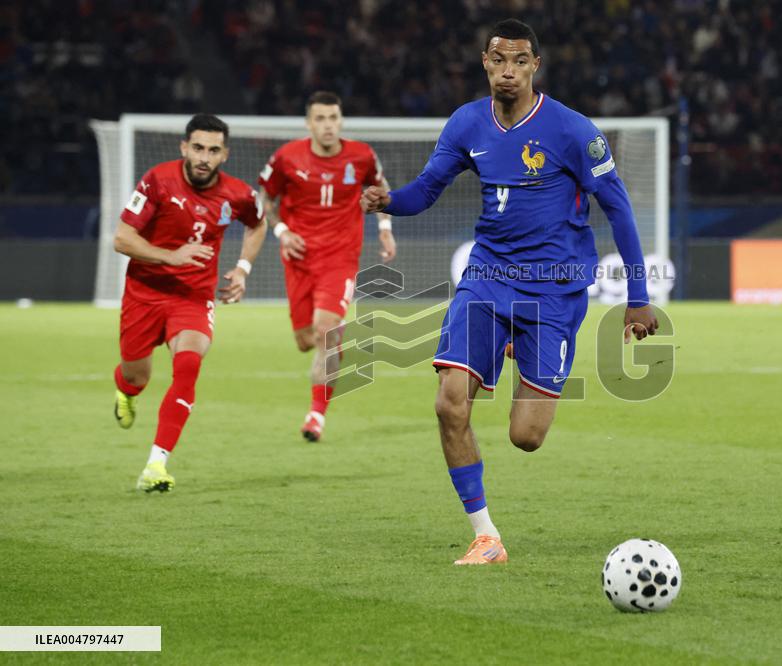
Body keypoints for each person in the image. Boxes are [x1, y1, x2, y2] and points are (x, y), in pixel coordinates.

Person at [362, 19, 658, 565]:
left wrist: (637, 298)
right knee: (450, 402)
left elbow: (618, 208)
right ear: (484, 62)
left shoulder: (573, 131)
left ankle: (519, 345)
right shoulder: (467, 123)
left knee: (527, 436)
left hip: (553, 290)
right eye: (498, 59)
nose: (508, 71)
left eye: (520, 61)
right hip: (487, 277)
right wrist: (389, 201)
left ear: (535, 66)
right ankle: (486, 536)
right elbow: (426, 190)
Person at [112, 113, 267, 492]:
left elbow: (258, 223)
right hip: (145, 291)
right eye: (198, 148)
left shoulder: (238, 194)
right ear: (184, 147)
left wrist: (243, 269)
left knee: (188, 365)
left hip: (194, 297)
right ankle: (126, 390)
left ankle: (156, 464)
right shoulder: (158, 180)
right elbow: (122, 238)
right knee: (136, 376)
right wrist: (171, 256)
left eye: (213, 150)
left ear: (225, 154)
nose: (204, 157)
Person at [259, 91, 397, 442]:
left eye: (333, 118)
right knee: (306, 340)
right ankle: (333, 337)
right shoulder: (287, 157)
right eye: (320, 119)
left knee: (325, 330)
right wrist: (281, 231)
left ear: (341, 120)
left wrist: (384, 228)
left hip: (340, 258)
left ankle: (316, 415)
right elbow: (264, 197)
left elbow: (380, 188)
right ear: (309, 123)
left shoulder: (361, 155)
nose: (327, 125)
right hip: (298, 258)